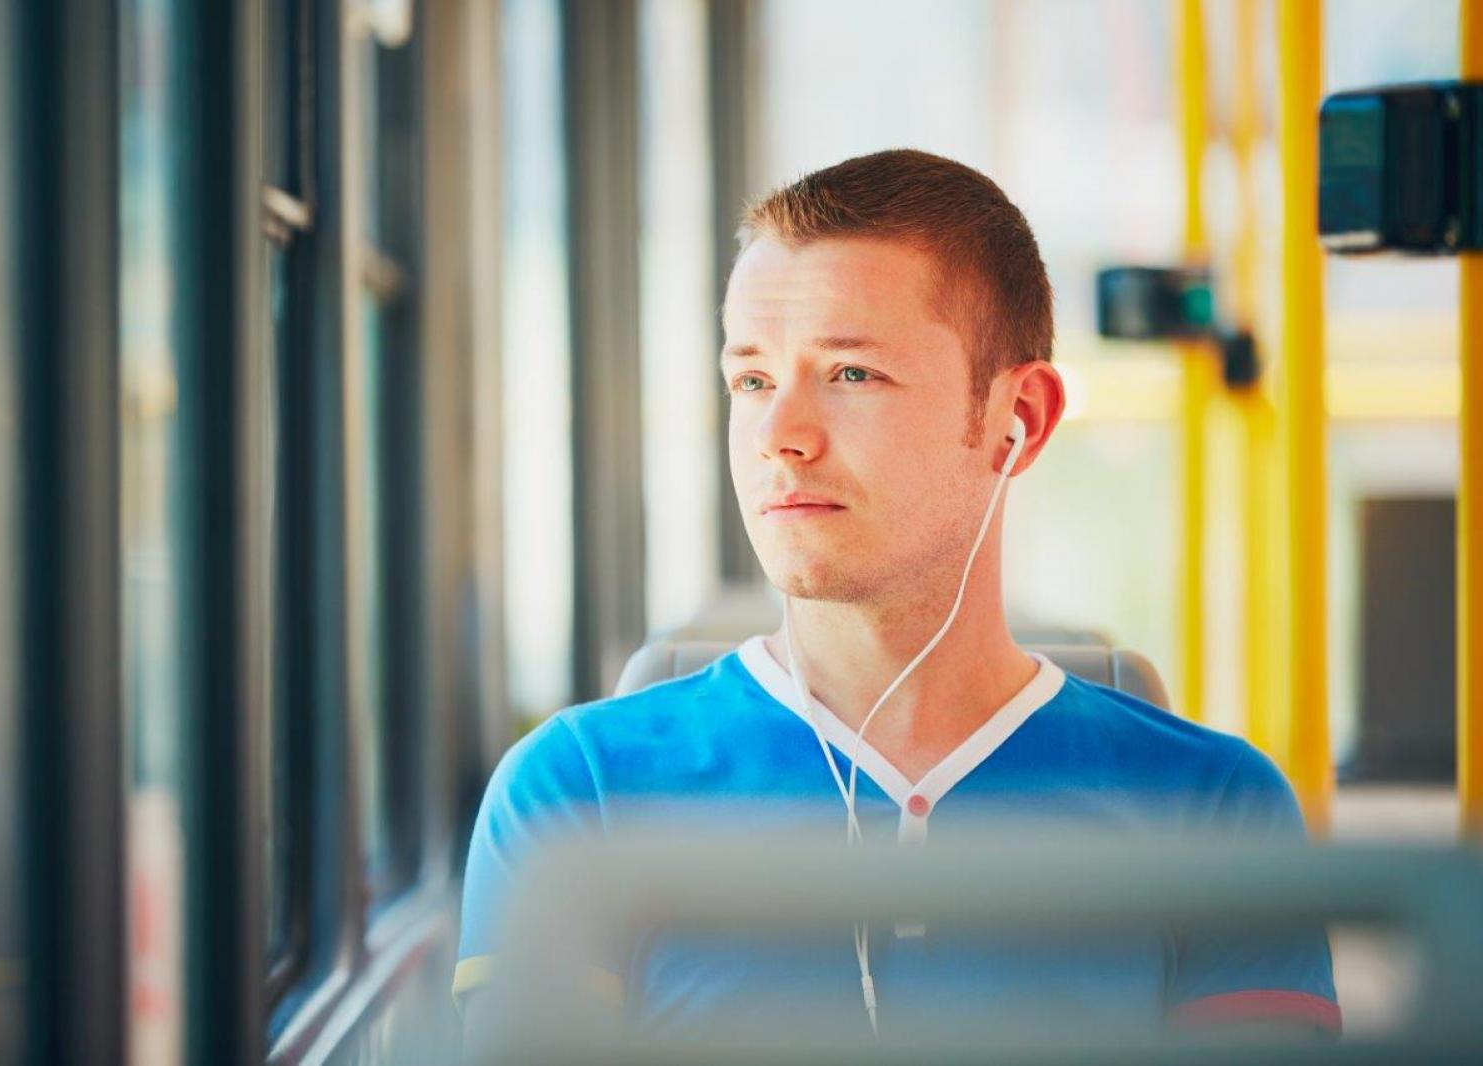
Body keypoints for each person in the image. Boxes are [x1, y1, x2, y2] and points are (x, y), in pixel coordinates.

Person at [454, 149, 1338, 1042]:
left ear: (1017, 421)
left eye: (851, 375)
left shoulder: (1214, 810)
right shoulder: (577, 794)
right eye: (752, 380)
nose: (779, 436)